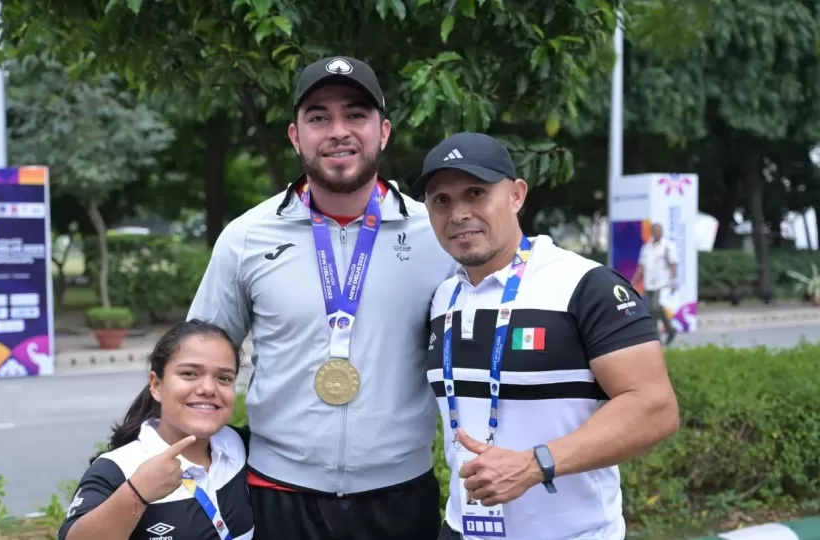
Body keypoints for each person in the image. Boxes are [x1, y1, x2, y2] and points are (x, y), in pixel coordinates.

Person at [185, 55, 456, 540]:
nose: (338, 131)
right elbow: (195, 359)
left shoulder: (437, 235)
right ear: (295, 135)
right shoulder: (246, 237)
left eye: (355, 114)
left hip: (400, 495)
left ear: (384, 131)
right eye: (318, 117)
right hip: (278, 493)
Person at [411, 132, 680, 540]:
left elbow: (656, 407)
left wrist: (537, 464)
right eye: (441, 201)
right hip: (462, 529)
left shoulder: (585, 285)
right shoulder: (442, 298)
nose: (458, 213)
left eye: (476, 193)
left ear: (517, 195)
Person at [59, 320, 253, 540]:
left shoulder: (243, 446)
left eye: (224, 378)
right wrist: (136, 493)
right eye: (189, 374)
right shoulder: (117, 469)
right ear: (156, 385)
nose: (208, 388)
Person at [632, 223, 679, 345]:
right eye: (655, 231)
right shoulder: (646, 247)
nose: (658, 234)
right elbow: (641, 266)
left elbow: (673, 263)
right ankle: (668, 330)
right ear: (652, 232)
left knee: (655, 307)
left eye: (659, 231)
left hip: (662, 282)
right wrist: (634, 280)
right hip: (649, 282)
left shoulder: (667, 246)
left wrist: (674, 279)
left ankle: (657, 335)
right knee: (652, 309)